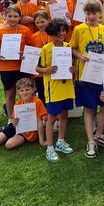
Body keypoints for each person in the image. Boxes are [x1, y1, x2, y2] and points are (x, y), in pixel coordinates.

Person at [70, 0, 104, 158]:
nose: (92, 16)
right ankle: (90, 140)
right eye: (88, 13)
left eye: (95, 13)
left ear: (100, 14)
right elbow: (72, 48)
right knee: (89, 109)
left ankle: (99, 135)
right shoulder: (79, 29)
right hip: (85, 76)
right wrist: (80, 56)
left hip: (101, 75)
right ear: (85, 14)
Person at [37, 18, 76, 162]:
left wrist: (73, 69)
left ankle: (60, 141)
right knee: (52, 118)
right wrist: (46, 69)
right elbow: (37, 67)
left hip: (66, 87)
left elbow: (72, 67)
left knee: (64, 115)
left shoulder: (68, 47)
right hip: (53, 88)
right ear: (52, 32)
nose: (62, 33)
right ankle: (50, 148)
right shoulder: (46, 48)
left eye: (64, 30)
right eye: (59, 31)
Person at [0, 6, 32, 120]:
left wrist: (24, 53)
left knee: (25, 94)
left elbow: (30, 48)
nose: (12, 19)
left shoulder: (25, 30)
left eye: (15, 16)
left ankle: (27, 118)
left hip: (22, 67)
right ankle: (11, 119)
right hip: (6, 67)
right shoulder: (1, 31)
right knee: (10, 95)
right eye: (10, 16)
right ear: (5, 16)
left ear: (20, 17)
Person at [0, 78, 47, 150]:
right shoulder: (18, 104)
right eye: (22, 91)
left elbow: (39, 122)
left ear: (33, 90)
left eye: (27, 90)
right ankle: (8, 133)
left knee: (9, 145)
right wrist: (14, 122)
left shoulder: (37, 102)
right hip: (16, 127)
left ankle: (14, 137)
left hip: (28, 131)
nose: (24, 92)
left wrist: (41, 141)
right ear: (18, 92)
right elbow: (14, 120)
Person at [30, 11, 53, 105]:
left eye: (42, 22)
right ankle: (44, 115)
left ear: (48, 20)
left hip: (52, 70)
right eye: (37, 22)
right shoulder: (33, 37)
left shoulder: (53, 35)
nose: (40, 25)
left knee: (52, 93)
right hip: (39, 72)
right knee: (42, 93)